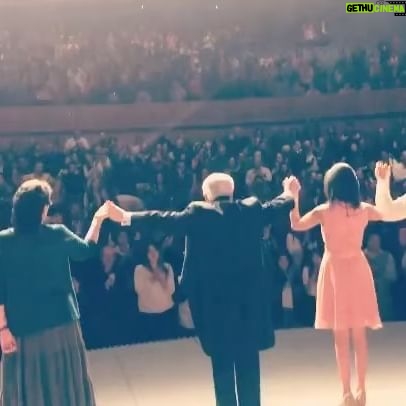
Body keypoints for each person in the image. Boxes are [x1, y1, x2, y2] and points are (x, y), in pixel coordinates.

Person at [106, 172, 295, 406]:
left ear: (206, 195)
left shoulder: (198, 214)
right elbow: (279, 205)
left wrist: (126, 216)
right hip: (248, 309)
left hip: (216, 310)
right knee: (249, 371)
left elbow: (163, 218)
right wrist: (290, 190)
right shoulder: (251, 209)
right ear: (232, 192)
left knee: (223, 373)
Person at [287, 163, 404, 406]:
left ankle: (346, 393)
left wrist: (293, 195)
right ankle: (361, 390)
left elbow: (296, 224)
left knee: (341, 337)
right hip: (358, 268)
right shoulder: (364, 210)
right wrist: (382, 182)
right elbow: (386, 212)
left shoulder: (323, 211)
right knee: (359, 334)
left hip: (335, 271)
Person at [0, 179, 107, 406]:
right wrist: (98, 219)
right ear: (41, 209)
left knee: (29, 388)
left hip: (22, 329)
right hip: (62, 326)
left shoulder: (3, 242)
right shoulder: (57, 234)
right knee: (64, 385)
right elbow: (87, 250)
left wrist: (2, 328)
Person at [134, 241, 177, 342]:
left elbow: (171, 290)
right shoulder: (140, 269)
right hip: (148, 315)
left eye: (155, 250)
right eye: (150, 251)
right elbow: (138, 290)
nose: (153, 254)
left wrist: (161, 279)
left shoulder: (167, 267)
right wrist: (152, 277)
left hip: (166, 313)